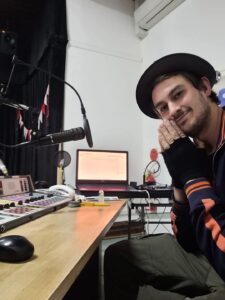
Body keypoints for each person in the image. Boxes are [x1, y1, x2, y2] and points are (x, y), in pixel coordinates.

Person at [104, 53, 225, 300]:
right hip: (205, 254)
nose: (173, 111)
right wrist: (180, 179)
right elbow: (186, 241)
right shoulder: (194, 149)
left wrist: (192, 176)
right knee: (119, 256)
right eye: (163, 108)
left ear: (204, 87)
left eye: (178, 94)